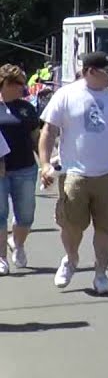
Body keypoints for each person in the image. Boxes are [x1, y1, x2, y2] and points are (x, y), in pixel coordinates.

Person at [38, 51, 108, 295]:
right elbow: (49, 132)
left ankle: (101, 274)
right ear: (90, 71)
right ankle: (71, 258)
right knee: (71, 226)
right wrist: (45, 164)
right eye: (107, 71)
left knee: (106, 227)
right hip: (75, 174)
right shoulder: (66, 95)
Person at [0, 64, 40, 272]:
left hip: (25, 167)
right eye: (19, 85)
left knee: (25, 215)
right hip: (0, 171)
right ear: (6, 83)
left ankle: (18, 244)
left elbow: (36, 137)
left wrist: (47, 162)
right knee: (0, 214)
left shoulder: (26, 108)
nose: (23, 89)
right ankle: (1, 259)